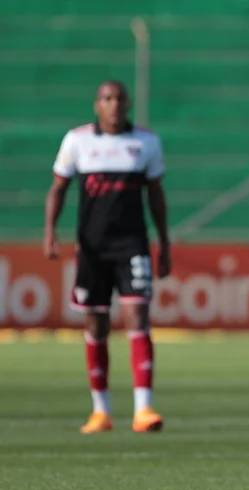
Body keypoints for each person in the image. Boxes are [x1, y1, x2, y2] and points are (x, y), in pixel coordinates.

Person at [43, 80, 170, 434]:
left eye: (119, 99)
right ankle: (101, 411)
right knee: (95, 324)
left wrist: (165, 244)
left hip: (132, 246)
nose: (114, 105)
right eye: (107, 99)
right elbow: (58, 189)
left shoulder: (145, 142)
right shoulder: (78, 141)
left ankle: (143, 409)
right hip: (92, 249)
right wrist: (50, 232)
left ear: (127, 103)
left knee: (137, 316)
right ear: (97, 104)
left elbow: (156, 197)